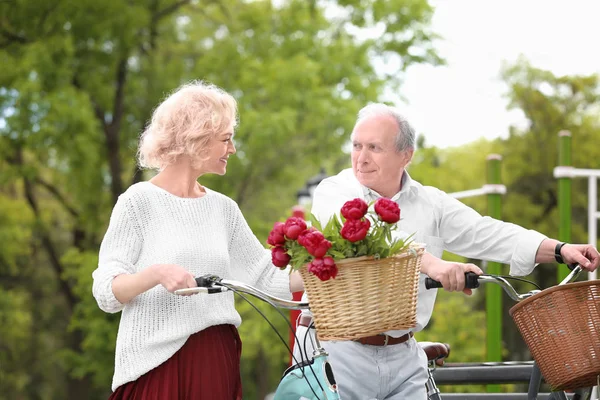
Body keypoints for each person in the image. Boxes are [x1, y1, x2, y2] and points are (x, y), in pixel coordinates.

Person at [293, 103, 600, 400]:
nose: (361, 158)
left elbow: (485, 231)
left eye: (374, 148)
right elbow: (371, 238)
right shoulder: (335, 190)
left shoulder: (430, 202)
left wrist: (559, 249)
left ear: (406, 155)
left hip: (402, 354)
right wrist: (435, 266)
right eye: (357, 145)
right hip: (336, 351)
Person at [92, 81, 303, 400]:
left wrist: (336, 267)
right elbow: (107, 292)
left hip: (214, 358)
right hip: (154, 365)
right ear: (197, 139)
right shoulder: (139, 201)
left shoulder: (224, 209)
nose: (232, 149)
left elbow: (268, 278)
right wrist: (156, 273)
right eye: (226, 139)